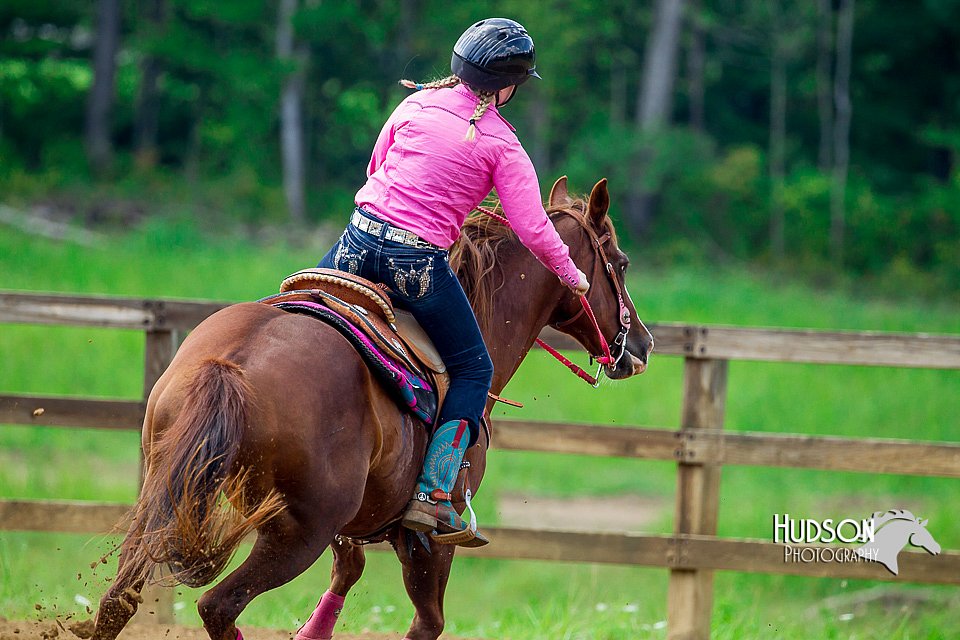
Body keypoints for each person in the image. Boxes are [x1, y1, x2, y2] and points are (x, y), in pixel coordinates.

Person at [316, 18, 589, 546]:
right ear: (508, 84)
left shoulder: (413, 105)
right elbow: (533, 227)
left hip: (356, 240)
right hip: (414, 264)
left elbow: (377, 168)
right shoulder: (503, 145)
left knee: (292, 305)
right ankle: (435, 494)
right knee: (473, 368)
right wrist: (571, 274)